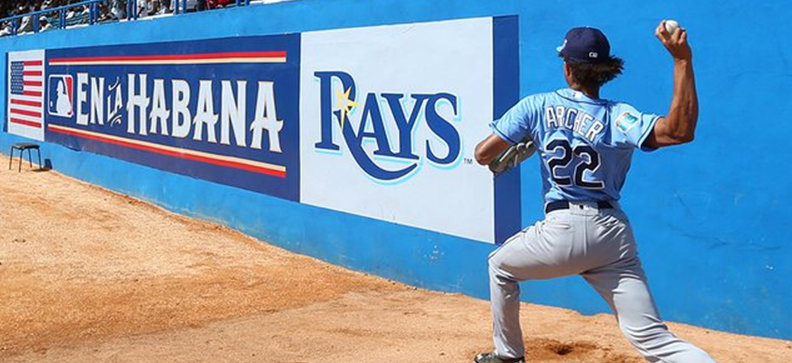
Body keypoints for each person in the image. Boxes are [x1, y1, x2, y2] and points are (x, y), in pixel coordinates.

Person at [472, 22, 715, 363]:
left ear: (567, 68)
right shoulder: (619, 116)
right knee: (656, 341)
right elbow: (679, 131)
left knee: (500, 266)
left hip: (561, 230)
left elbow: (483, 154)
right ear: (603, 72)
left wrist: (524, 144)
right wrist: (682, 60)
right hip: (612, 237)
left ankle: (509, 356)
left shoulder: (535, 106)